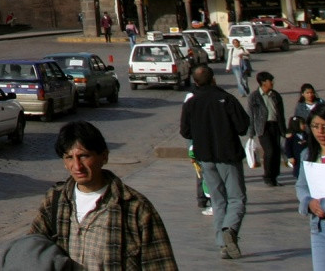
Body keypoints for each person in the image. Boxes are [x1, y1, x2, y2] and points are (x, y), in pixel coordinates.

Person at [20, 121, 176, 270]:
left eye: (84, 156)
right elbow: (33, 249)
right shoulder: (55, 200)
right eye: (69, 158)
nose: (77, 166)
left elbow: (160, 264)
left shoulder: (134, 208)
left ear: (104, 156)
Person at [179, 64, 250, 260]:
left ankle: (223, 245)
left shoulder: (191, 103)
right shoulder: (226, 99)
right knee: (236, 198)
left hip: (205, 157)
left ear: (194, 81)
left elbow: (185, 131)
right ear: (213, 79)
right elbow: (243, 126)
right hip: (227, 155)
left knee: (218, 201)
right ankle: (230, 230)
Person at [294, 103, 325, 269]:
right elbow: (301, 185)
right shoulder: (308, 155)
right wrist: (308, 202)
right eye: (316, 126)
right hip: (320, 227)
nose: (320, 132)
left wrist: (323, 204)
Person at [246, 71, 286, 187]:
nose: (272, 83)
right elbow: (251, 115)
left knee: (276, 151)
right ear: (263, 82)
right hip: (263, 127)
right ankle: (267, 176)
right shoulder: (254, 96)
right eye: (270, 81)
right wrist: (251, 132)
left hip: (275, 126)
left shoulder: (275, 95)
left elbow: (281, 114)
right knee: (270, 151)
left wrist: (284, 130)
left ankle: (274, 176)